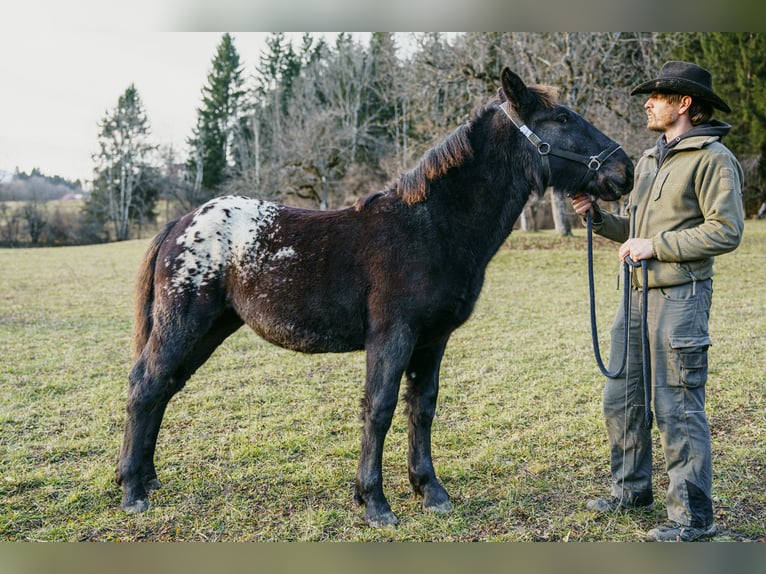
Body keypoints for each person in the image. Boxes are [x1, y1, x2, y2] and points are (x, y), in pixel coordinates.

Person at [571, 61, 744, 542]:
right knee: (621, 398)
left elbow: (726, 231)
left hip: (681, 298)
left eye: (657, 95)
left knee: (676, 407)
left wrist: (658, 246)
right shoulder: (649, 160)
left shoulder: (712, 159)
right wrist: (598, 218)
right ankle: (631, 491)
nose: (647, 102)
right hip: (635, 295)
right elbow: (635, 233)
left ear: (684, 103)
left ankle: (692, 520)